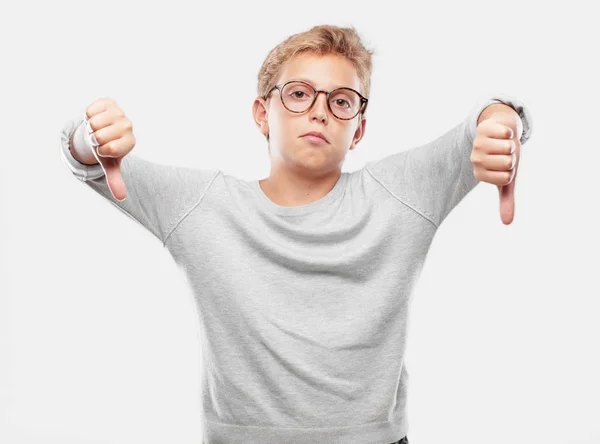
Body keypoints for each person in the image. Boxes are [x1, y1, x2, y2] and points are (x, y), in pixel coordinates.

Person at [59, 24, 532, 444]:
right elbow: (90, 164)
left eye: (341, 101)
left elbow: (488, 121)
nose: (320, 112)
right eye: (300, 93)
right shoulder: (203, 205)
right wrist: (90, 137)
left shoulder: (398, 194)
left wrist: (501, 122)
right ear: (263, 113)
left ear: (359, 129)